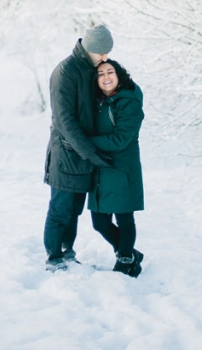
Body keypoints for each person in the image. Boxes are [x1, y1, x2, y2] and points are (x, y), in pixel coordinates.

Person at [43, 25, 115, 272]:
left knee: (74, 210)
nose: (105, 58)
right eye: (102, 53)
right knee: (59, 210)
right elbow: (65, 122)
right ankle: (54, 257)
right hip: (66, 154)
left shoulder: (89, 70)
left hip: (83, 155)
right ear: (90, 49)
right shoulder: (65, 72)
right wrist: (92, 153)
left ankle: (68, 253)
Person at [88, 59, 145, 277]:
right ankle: (129, 251)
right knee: (100, 222)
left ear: (119, 75)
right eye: (100, 74)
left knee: (124, 218)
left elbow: (120, 139)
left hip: (122, 168)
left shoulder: (129, 101)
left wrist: (87, 142)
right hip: (101, 168)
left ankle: (126, 259)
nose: (106, 77)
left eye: (110, 72)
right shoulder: (100, 101)